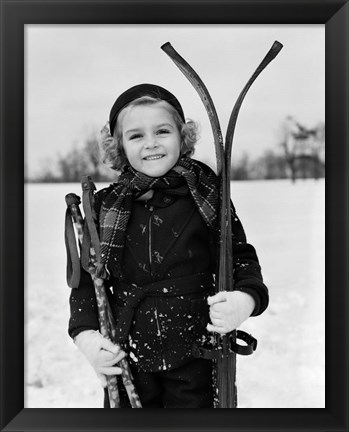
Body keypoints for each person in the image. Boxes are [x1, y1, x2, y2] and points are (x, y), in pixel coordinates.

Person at [68, 83, 269, 408]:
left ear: (182, 136)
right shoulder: (105, 207)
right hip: (128, 356)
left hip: (196, 355)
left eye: (162, 131)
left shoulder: (208, 195)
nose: (151, 143)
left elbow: (241, 257)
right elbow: (89, 280)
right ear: (118, 146)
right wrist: (85, 333)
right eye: (135, 136)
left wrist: (245, 298)